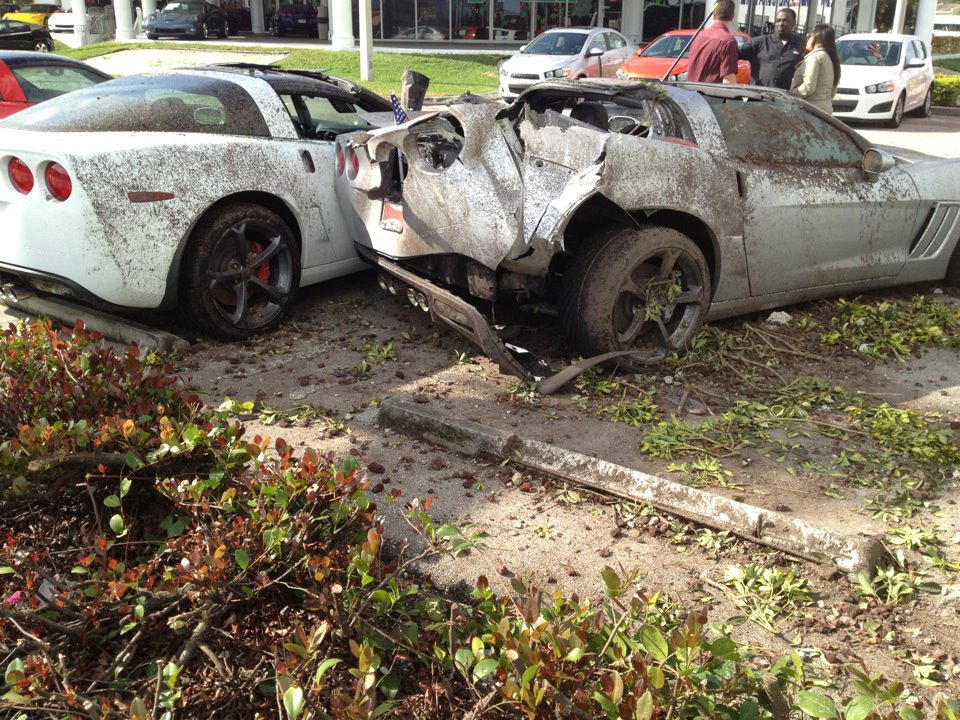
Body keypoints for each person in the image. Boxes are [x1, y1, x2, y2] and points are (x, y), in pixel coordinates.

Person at [738, 8, 804, 89]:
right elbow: (734, 54)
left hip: (784, 97)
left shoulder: (801, 45)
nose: (780, 24)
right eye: (778, 20)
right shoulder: (760, 42)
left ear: (794, 23)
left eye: (785, 21)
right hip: (758, 94)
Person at [790, 24, 841, 115]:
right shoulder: (830, 58)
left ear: (818, 38)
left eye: (809, 36)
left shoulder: (815, 57)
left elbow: (808, 87)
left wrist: (792, 94)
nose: (806, 39)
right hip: (826, 109)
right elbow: (832, 92)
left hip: (811, 110)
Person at [686, 0, 740, 84]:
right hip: (711, 95)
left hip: (690, 93)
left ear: (713, 15)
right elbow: (728, 80)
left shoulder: (698, 36)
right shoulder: (728, 41)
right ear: (733, 16)